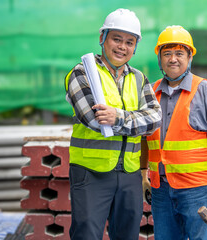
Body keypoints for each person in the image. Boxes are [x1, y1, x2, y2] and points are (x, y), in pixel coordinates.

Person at [64, 8, 161, 240]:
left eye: (129, 42)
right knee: (87, 234)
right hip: (90, 174)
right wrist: (135, 118)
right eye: (116, 39)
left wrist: (117, 117)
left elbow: (155, 119)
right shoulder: (82, 73)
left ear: (135, 46)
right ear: (102, 39)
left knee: (127, 235)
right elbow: (93, 119)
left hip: (130, 173)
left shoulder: (139, 79)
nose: (122, 47)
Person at [141, 25, 207, 240]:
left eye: (179, 53)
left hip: (198, 189)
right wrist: (143, 174)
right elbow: (144, 138)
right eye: (167, 54)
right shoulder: (150, 92)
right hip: (160, 187)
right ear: (159, 58)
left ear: (189, 57)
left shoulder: (205, 90)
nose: (173, 59)